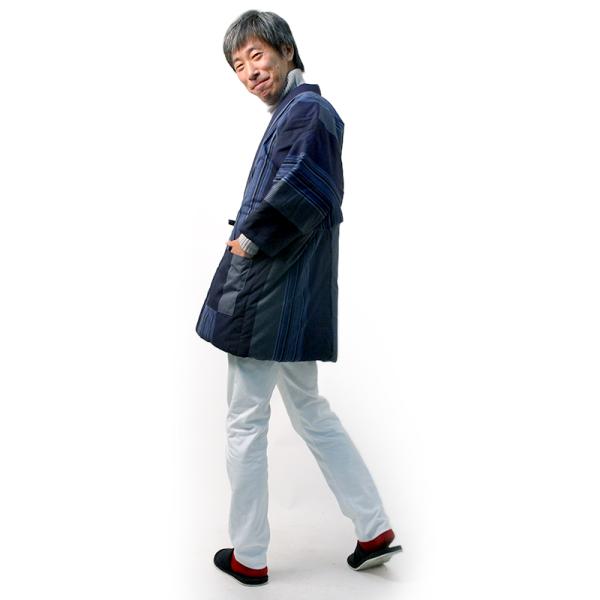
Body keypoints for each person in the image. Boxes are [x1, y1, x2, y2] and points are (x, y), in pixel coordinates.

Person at [195, 10, 402, 586]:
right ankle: (373, 529)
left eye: (257, 56)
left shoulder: (308, 111)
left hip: (268, 297)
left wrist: (252, 237)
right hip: (290, 301)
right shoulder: (301, 112)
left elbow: (310, 190)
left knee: (244, 421)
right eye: (238, 66)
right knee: (311, 411)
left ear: (287, 50)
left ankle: (249, 555)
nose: (249, 72)